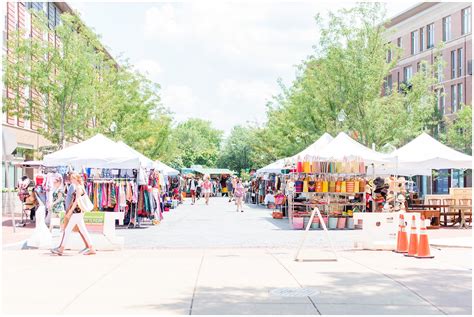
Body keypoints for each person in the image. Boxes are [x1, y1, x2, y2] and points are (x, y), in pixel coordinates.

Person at [51, 173, 96, 256]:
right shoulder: (80, 187)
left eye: (72, 178)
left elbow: (76, 201)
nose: (71, 180)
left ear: (76, 179)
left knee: (68, 230)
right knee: (83, 230)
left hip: (77, 212)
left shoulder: (78, 187)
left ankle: (61, 249)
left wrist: (70, 211)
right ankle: (91, 248)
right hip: (79, 212)